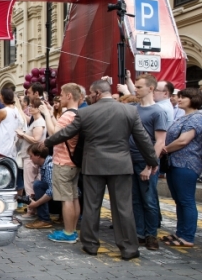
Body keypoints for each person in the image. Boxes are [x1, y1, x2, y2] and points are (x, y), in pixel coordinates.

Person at [44, 79, 158, 260]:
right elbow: (142, 138)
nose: (88, 96)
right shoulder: (129, 111)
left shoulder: (86, 113)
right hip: (121, 165)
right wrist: (152, 160)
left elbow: (66, 133)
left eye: (90, 93)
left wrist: (47, 142)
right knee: (123, 208)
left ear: (97, 93)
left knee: (92, 206)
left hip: (94, 165)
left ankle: (90, 244)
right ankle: (128, 248)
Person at [39, 83, 82, 241]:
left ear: (69, 96)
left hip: (63, 161)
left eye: (62, 95)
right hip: (73, 162)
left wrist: (47, 114)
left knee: (66, 199)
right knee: (74, 196)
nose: (60, 98)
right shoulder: (78, 114)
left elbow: (53, 134)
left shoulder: (67, 115)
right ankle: (73, 229)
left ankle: (68, 232)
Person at [130, 74, 167, 251]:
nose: (135, 90)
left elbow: (160, 141)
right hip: (131, 160)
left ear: (150, 88)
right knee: (136, 200)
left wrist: (150, 165)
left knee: (149, 200)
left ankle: (151, 235)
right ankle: (139, 234)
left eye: (139, 87)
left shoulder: (158, 111)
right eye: (135, 87)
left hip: (145, 162)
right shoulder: (134, 109)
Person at [161, 88, 202, 247]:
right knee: (179, 200)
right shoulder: (185, 117)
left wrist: (164, 150)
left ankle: (187, 236)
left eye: (183, 97)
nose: (179, 99)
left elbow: (183, 141)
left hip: (187, 164)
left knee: (186, 200)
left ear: (194, 99)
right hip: (175, 163)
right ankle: (181, 233)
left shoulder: (197, 117)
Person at [16, 98, 46, 205]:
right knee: (30, 182)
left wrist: (23, 134)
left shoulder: (39, 122)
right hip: (31, 155)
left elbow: (36, 139)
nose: (30, 108)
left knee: (29, 184)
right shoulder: (36, 121)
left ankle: (31, 209)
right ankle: (32, 208)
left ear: (38, 109)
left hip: (32, 156)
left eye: (33, 107)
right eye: (31, 106)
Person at [24, 143, 54, 229]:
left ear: (38, 156)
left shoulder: (49, 166)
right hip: (59, 191)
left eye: (31, 156)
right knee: (38, 186)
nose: (30, 158)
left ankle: (44, 220)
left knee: (38, 185)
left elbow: (51, 191)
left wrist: (36, 203)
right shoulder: (44, 164)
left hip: (64, 193)